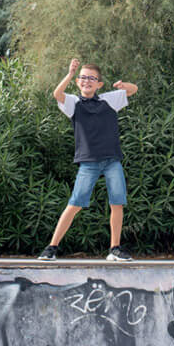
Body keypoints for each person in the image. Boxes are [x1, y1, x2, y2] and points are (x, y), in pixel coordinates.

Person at [38, 58, 139, 261]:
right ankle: (51, 247)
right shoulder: (74, 103)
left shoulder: (108, 100)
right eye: (83, 78)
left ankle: (115, 249)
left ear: (99, 84)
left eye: (91, 78)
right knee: (75, 203)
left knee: (117, 203)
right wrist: (69, 74)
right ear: (78, 82)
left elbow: (133, 89)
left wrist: (122, 86)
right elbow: (57, 94)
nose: (86, 81)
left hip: (112, 161)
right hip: (88, 163)